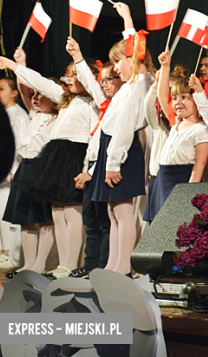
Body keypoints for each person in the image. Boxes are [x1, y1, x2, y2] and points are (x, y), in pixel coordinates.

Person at [0, 46, 99, 280]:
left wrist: (87, 169)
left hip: (75, 154)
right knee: (57, 212)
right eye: (67, 74)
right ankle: (62, 264)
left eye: (73, 74)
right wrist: (13, 65)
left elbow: (94, 139)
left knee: (72, 212)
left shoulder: (93, 103)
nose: (68, 78)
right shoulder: (64, 100)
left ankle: (72, 263)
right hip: (56, 155)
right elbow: (40, 82)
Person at [88, 2, 154, 276]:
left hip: (122, 151)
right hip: (111, 149)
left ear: (134, 58)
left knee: (124, 212)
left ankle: (124, 266)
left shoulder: (138, 85)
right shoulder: (128, 86)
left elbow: (126, 128)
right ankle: (112, 264)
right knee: (113, 211)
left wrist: (114, 162)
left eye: (119, 61)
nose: (115, 68)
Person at [71, 55, 123, 279]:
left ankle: (102, 266)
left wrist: (91, 173)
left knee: (104, 222)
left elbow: (111, 147)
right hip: (91, 165)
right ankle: (90, 264)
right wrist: (76, 57)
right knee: (90, 222)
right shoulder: (104, 105)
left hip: (104, 170)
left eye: (111, 79)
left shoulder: (122, 107)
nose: (105, 84)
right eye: (103, 80)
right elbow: (90, 82)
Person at [143, 51, 208, 222]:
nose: (177, 102)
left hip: (181, 180)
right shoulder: (176, 124)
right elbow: (161, 95)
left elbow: (200, 164)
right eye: (174, 98)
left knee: (174, 232)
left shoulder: (201, 130)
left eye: (184, 97)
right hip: (163, 180)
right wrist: (165, 67)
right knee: (160, 229)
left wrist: (188, 195)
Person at [1, 86, 58, 278]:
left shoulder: (57, 118)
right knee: (26, 218)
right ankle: (29, 263)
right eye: (34, 94)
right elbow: (25, 92)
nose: (35, 98)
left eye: (41, 95)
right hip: (26, 167)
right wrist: (21, 64)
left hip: (44, 168)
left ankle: (40, 264)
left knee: (44, 217)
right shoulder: (35, 115)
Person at [0, 79, 29, 269]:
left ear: (14, 93)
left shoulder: (18, 115)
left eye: (2, 89)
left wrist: (13, 170)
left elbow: (20, 144)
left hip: (10, 174)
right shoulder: (1, 114)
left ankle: (11, 254)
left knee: (6, 215)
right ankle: (0, 251)